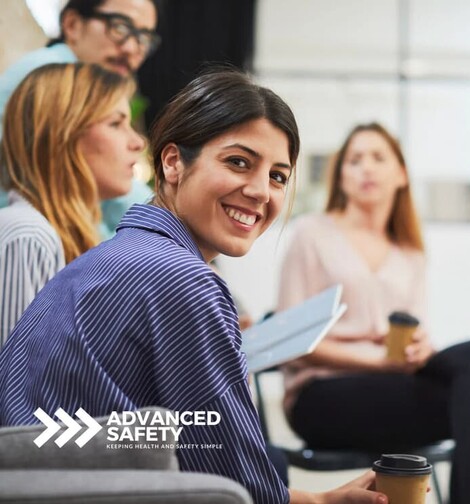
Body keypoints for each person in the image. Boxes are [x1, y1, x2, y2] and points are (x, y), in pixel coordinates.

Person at [0, 69, 387, 504]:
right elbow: (233, 471)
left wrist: (317, 500)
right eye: (238, 162)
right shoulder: (182, 277)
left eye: (278, 176)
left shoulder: (110, 256)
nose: (261, 191)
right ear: (172, 163)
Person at [276, 122, 470, 504]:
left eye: (378, 157)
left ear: (401, 174)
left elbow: (413, 333)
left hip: (393, 387)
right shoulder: (311, 234)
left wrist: (421, 348)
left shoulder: (409, 252)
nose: (366, 168)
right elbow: (290, 343)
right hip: (323, 396)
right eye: (355, 160)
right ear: (341, 177)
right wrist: (376, 362)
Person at [0, 62, 143, 345]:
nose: (137, 142)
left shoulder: (69, 238)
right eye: (115, 124)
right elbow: (17, 370)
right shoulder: (28, 234)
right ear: (61, 135)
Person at [0, 0, 160, 235]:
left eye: (143, 38)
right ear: (72, 24)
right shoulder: (52, 78)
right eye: (120, 27)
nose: (131, 48)